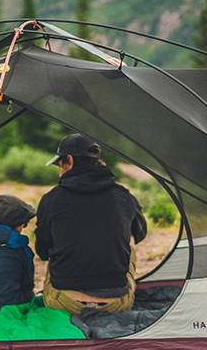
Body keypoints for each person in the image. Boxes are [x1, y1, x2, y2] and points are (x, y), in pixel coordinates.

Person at [36, 133, 147, 315]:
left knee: (55, 247)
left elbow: (42, 251)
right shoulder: (124, 196)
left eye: (59, 165)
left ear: (69, 161)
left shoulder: (51, 199)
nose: (59, 171)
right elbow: (140, 235)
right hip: (116, 304)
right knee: (130, 244)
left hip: (64, 304)